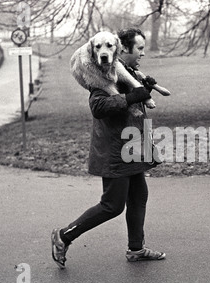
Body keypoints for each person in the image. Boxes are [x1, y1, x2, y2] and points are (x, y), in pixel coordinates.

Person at [51, 28, 165, 269]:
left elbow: (137, 95)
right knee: (112, 206)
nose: (142, 54)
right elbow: (99, 106)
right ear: (123, 49)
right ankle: (64, 236)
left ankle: (136, 249)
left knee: (139, 196)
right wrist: (134, 97)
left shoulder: (127, 72)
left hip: (133, 147)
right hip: (116, 150)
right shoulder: (102, 76)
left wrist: (145, 88)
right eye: (139, 49)